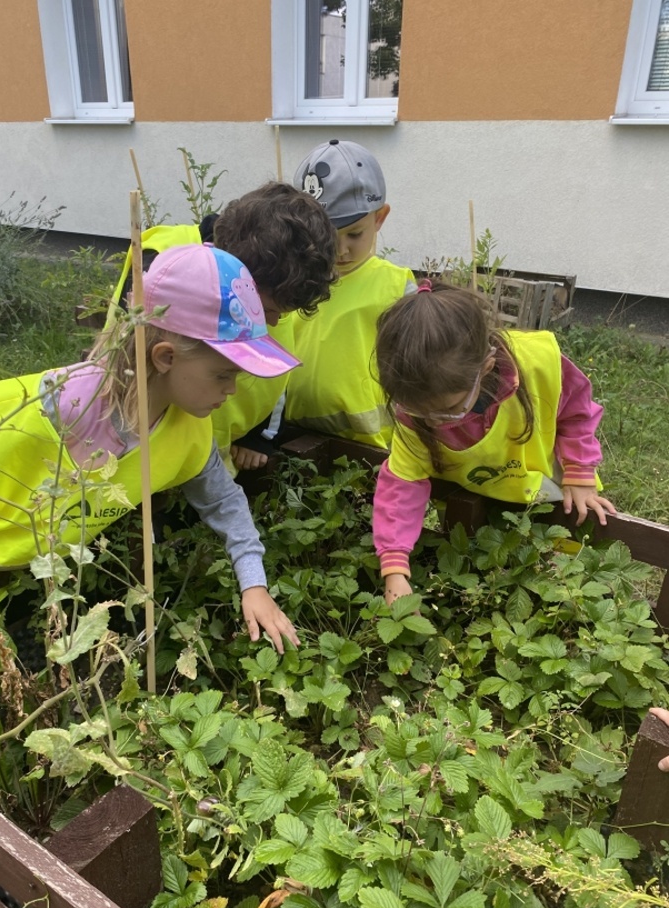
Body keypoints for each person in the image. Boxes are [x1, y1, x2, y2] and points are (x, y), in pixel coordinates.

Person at [0, 244, 302, 653]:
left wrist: (254, 585)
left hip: (9, 579)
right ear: (165, 357)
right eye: (224, 374)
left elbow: (223, 501)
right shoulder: (61, 405)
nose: (232, 390)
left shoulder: (188, 430)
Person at [371, 280, 617, 606]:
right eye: (419, 411)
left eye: (448, 409)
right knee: (491, 573)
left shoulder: (537, 364)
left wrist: (580, 472)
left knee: (564, 579)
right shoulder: (414, 414)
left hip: (550, 490)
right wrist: (394, 570)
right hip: (479, 507)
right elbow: (401, 485)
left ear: (485, 368)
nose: (432, 422)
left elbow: (576, 412)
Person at [108, 182, 337, 472]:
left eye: (283, 314)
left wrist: (257, 435)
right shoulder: (165, 266)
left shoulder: (276, 283)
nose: (273, 322)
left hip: (214, 463)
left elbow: (276, 374)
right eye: (268, 311)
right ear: (237, 277)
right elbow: (130, 362)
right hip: (142, 458)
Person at [282, 139, 417, 450]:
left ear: (379, 218)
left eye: (355, 234)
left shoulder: (396, 285)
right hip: (291, 435)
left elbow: (416, 368)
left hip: (371, 446)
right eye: (326, 237)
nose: (341, 250)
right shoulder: (290, 280)